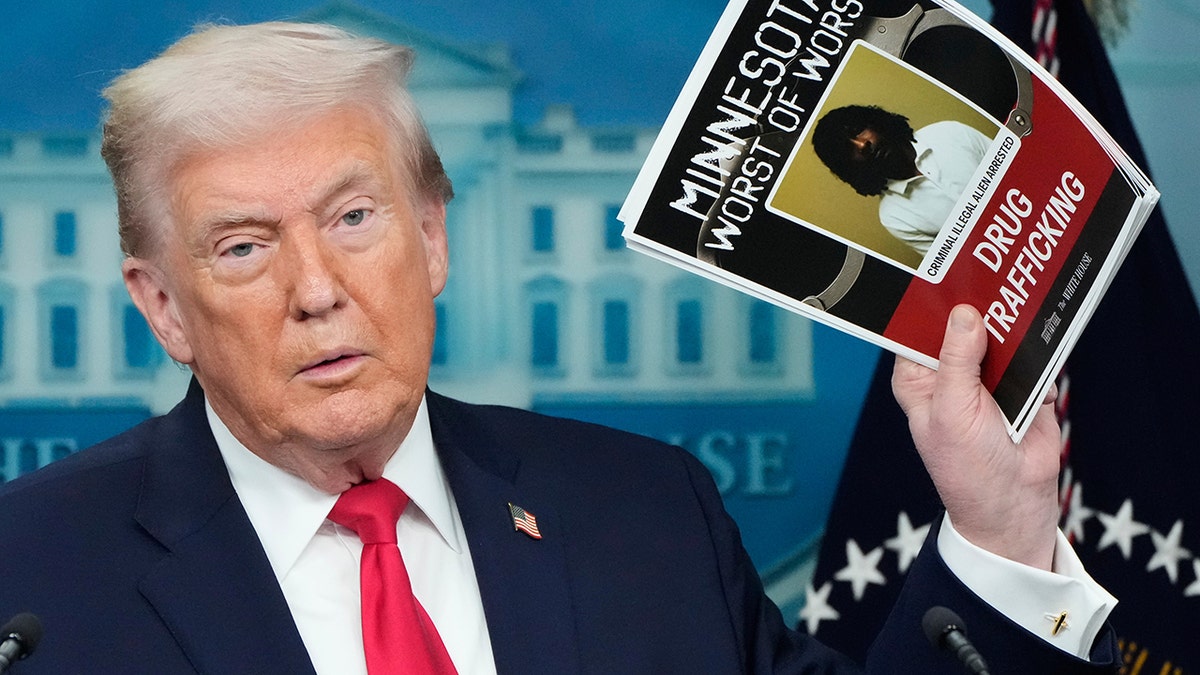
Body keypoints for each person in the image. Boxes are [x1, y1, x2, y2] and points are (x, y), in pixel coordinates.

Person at [0, 22, 1119, 674]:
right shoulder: (28, 580)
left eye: (355, 218)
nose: (318, 290)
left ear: (432, 238)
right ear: (163, 308)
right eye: (244, 246)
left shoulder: (649, 516)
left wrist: (1000, 529)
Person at [812, 105, 992, 256]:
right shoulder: (894, 217)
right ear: (848, 166)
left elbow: (1010, 163)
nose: (862, 144)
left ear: (875, 122)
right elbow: (956, 266)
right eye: (848, 149)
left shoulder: (948, 132)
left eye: (858, 131)